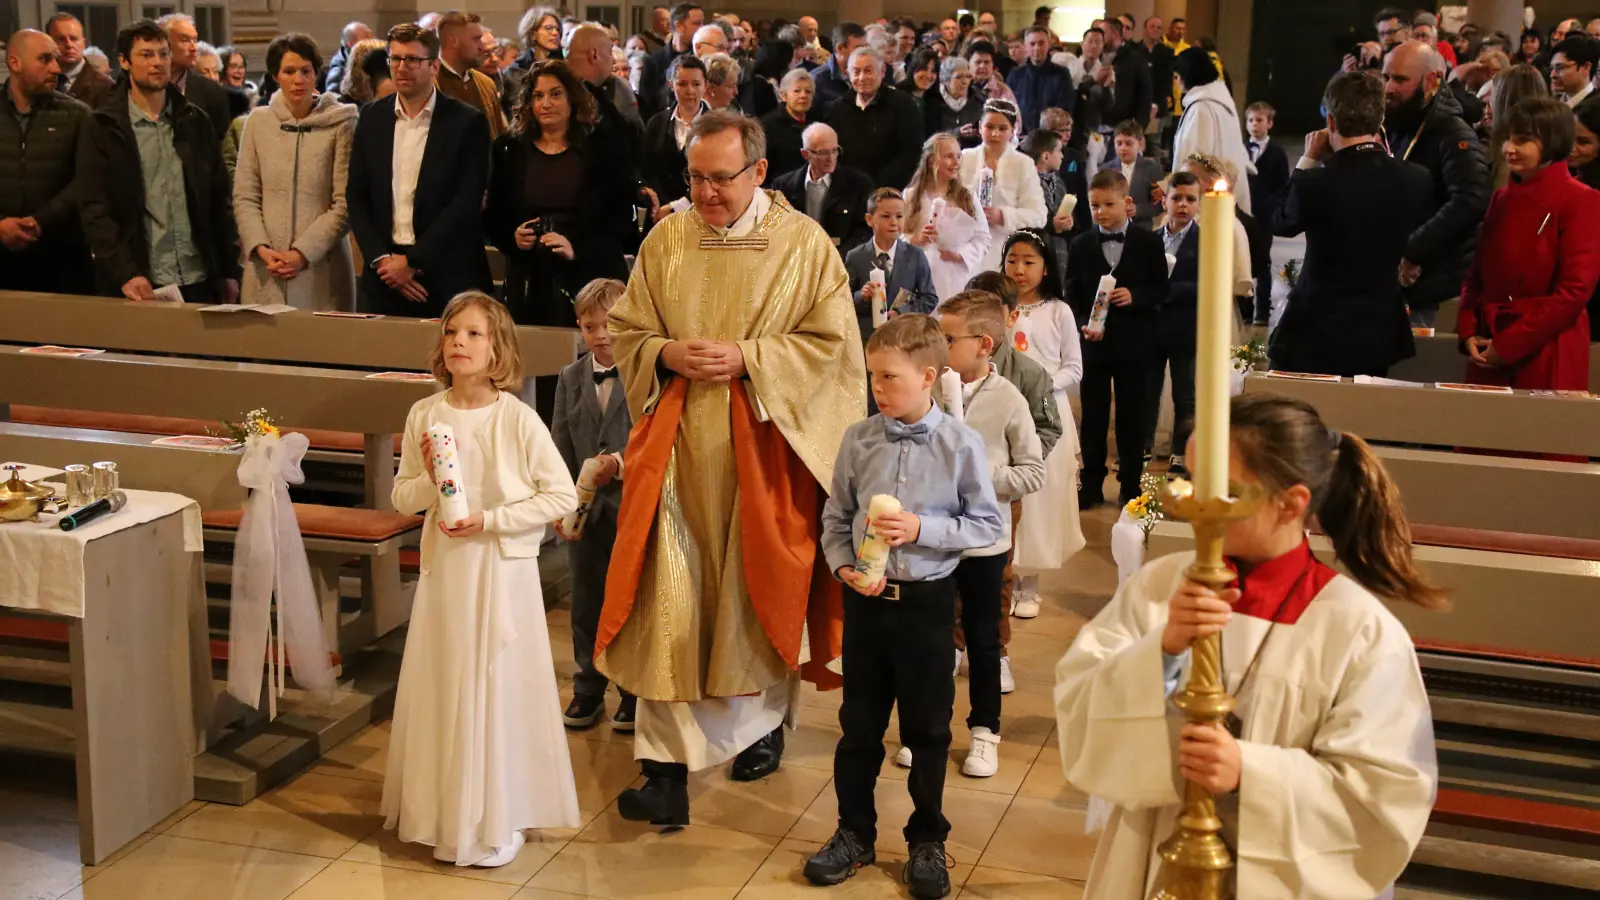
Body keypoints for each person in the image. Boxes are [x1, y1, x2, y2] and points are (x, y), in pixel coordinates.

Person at [1055, 393, 1443, 899]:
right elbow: (1080, 705)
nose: (1194, 505)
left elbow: (1384, 796)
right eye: (1188, 481)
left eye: (1224, 491)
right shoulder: (1160, 586)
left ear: (1292, 503)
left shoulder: (1358, 630)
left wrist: (1250, 772)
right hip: (1155, 854)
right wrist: (1164, 651)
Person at [599, 111, 863, 828]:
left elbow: (836, 348)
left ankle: (762, 726)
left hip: (763, 451)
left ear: (757, 171)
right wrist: (662, 353)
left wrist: (752, 358)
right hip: (678, 455)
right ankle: (663, 772)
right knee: (668, 601)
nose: (707, 193)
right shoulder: (668, 238)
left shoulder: (804, 246)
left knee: (751, 596)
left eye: (721, 178)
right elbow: (628, 328)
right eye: (696, 178)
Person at [807, 313, 1003, 900]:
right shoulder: (858, 439)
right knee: (858, 728)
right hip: (866, 603)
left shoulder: (960, 443)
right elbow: (836, 517)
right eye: (872, 376)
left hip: (926, 603)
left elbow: (987, 523)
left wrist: (922, 527)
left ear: (928, 376)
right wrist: (842, 564)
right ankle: (853, 833)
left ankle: (926, 840)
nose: (877, 388)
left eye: (889, 377)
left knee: (928, 728)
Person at [385, 291, 581, 869]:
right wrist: (429, 478)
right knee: (449, 683)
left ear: (497, 349)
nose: (460, 344)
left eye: (474, 334)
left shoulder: (515, 418)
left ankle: (496, 815)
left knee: (494, 685)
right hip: (447, 571)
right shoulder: (426, 413)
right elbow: (404, 494)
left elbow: (561, 494)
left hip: (499, 571)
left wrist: (491, 520)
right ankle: (447, 814)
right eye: (452, 333)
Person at [930, 292, 1045, 778]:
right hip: (932, 538)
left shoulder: (1010, 399)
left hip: (984, 544)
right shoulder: (930, 388)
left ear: (983, 344)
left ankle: (984, 732)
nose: (938, 346)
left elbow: (1032, 472)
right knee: (933, 641)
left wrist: (983, 475)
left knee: (980, 641)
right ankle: (928, 730)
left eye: (947, 339)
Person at [1271, 71, 1432, 377]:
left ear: (1330, 122)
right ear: (1379, 119)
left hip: (1316, 329)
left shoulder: (1316, 182)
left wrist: (1307, 161)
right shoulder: (1416, 178)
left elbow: (1282, 222)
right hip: (1378, 330)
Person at [80, 19, 240, 303]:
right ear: (124, 62)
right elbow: (95, 208)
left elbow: (219, 200)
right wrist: (125, 272)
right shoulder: (104, 125)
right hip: (140, 279)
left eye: (163, 54)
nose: (158, 62)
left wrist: (229, 269)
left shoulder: (195, 121)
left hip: (199, 275)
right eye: (146, 54)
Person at [347, 23, 490, 317]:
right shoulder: (372, 117)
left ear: (434, 65)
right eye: (395, 59)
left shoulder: (466, 122)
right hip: (384, 278)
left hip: (445, 275)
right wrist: (382, 261)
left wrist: (412, 262)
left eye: (412, 59)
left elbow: (466, 202)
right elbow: (357, 196)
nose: (402, 67)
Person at [1459, 97, 1600, 392]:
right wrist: (1469, 330)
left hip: (1546, 347)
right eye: (1508, 138)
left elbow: (1573, 292)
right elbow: (1476, 275)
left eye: (1523, 140)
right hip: (1489, 342)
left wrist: (1510, 344)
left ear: (1552, 142)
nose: (1509, 147)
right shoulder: (1502, 198)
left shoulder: (1581, 199)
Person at [485, 60, 632, 330]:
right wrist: (513, 237)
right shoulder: (508, 149)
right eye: (538, 96)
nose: (546, 104)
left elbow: (620, 217)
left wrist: (576, 248)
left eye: (555, 94)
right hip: (530, 279)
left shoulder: (605, 147)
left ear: (572, 99)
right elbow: (494, 215)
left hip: (591, 274)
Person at [551, 279, 636, 732]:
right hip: (584, 511)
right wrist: (561, 503)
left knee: (629, 600)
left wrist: (618, 465)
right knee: (585, 602)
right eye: (590, 326)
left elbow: (655, 442)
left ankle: (632, 691)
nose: (600, 335)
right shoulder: (570, 378)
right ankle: (587, 686)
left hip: (632, 507)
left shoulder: (645, 373)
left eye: (609, 325)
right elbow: (560, 444)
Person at [1065, 170, 1168, 507]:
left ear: (1127, 203)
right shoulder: (1080, 244)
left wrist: (1135, 295)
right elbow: (1074, 296)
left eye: (1108, 204)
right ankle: (1090, 482)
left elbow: (1161, 289)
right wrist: (1083, 324)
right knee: (1093, 415)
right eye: (1094, 205)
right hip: (1094, 344)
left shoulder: (1149, 242)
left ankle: (1131, 483)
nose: (1100, 211)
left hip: (1135, 344)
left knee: (1132, 415)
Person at [233, 33, 357, 312]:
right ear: (276, 76)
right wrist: (262, 249)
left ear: (317, 74)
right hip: (267, 267)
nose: (298, 80)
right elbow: (245, 195)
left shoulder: (342, 122)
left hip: (322, 267)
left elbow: (345, 203)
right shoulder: (258, 122)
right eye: (289, 71)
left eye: (305, 71)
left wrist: (302, 254)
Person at [1002, 229, 1086, 604]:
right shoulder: (997, 307)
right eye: (1012, 261)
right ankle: (1006, 572)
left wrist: (1041, 383)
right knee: (1010, 489)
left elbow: (1074, 368)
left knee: (1040, 495)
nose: (1019, 269)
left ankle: (1030, 582)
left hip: (1046, 409)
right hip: (1005, 407)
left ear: (1046, 268)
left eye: (1028, 262)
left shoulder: (1058, 311)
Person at [1382, 41, 1490, 328]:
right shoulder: (1401, 122)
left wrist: (1413, 249)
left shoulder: (1452, 132)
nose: (1388, 88)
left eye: (1400, 80)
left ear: (1432, 81)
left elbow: (1471, 199)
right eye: (1386, 77)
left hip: (1432, 282)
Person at [1, 28, 95, 294]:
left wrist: (41, 220)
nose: (56, 68)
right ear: (15, 63)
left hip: (63, 258)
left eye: (55, 59)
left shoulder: (77, 115)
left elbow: (88, 180)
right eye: (45, 59)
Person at [1145, 171, 1202, 476]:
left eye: (1190, 199)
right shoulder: (1151, 239)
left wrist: (1166, 289)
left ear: (1199, 204)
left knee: (1185, 394)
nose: (1182, 205)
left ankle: (1181, 452)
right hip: (1152, 327)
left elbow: (1207, 283)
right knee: (1147, 390)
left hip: (1184, 327)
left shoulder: (1205, 240)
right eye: (1176, 197)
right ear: (1164, 200)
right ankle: (1142, 447)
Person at [844, 186, 937, 347]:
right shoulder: (855, 257)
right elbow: (842, 300)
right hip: (865, 340)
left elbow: (929, 298)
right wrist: (861, 296)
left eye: (899, 216)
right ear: (869, 219)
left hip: (904, 339)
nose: (894, 222)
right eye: (886, 216)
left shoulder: (915, 255)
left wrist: (902, 313)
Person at [904, 132, 991, 301]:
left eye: (958, 156)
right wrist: (916, 239)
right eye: (949, 156)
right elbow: (897, 236)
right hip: (922, 276)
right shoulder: (911, 196)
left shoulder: (966, 197)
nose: (956, 162)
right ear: (931, 161)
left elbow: (983, 237)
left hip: (956, 277)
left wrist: (960, 255)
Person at [824, 46, 924, 190]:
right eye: (856, 72)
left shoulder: (903, 104)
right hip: (848, 190)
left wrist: (880, 186)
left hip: (890, 191)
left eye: (868, 71)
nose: (862, 77)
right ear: (847, 74)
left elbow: (911, 153)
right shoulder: (837, 109)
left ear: (882, 71)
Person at [963, 98, 1046, 269]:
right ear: (980, 127)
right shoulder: (964, 158)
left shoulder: (1023, 163)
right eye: (990, 127)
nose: (995, 134)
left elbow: (1038, 215)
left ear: (1013, 130)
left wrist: (1002, 216)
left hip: (1005, 249)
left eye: (1002, 129)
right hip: (965, 246)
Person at [1172, 45, 1253, 214]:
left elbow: (1194, 158)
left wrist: (1174, 188)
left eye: (1177, 76)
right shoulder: (1220, 99)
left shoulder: (1201, 108)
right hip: (1227, 187)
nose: (1177, 81)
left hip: (1210, 195)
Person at [771, 122, 873, 253]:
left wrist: (838, 258)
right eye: (823, 152)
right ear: (805, 154)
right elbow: (776, 228)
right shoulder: (783, 186)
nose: (831, 158)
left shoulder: (858, 184)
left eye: (835, 150)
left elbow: (865, 229)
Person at [641, 54, 707, 215]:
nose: (690, 91)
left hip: (701, 209)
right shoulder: (656, 123)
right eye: (682, 84)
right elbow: (647, 168)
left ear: (705, 86)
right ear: (671, 85)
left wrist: (677, 206)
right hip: (659, 211)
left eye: (696, 84)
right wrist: (657, 203)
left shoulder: (716, 126)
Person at [1243, 101, 1288, 325]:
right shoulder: (1240, 148)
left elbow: (1282, 186)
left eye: (1259, 120)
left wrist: (1270, 207)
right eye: (1250, 120)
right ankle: (1244, 309)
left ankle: (1262, 312)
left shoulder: (1277, 153)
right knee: (1242, 260)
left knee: (1262, 262)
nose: (1254, 125)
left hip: (1263, 218)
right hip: (1243, 214)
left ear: (1269, 123)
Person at [157, 13, 232, 144]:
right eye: (185, 40)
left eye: (195, 40)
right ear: (163, 44)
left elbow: (221, 148)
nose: (194, 48)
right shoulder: (140, 87)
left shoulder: (212, 91)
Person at [434, 11, 507, 141]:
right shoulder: (428, 83)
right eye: (476, 39)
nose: (482, 47)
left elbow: (499, 135)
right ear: (453, 41)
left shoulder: (486, 84)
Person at [637, 2, 702, 120]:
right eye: (696, 24)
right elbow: (646, 108)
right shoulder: (653, 63)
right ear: (678, 26)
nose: (701, 28)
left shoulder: (701, 60)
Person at [1007, 26, 1075, 133]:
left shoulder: (1061, 74)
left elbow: (1064, 108)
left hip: (1051, 136)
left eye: (1041, 43)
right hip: (1021, 136)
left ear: (1048, 45)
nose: (1037, 48)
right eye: (1032, 44)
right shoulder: (1016, 75)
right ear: (1025, 46)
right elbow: (1008, 106)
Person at [45, 13, 114, 109]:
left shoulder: (106, 87)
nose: (69, 45)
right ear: (47, 43)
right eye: (61, 39)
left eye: (74, 39)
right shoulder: (38, 82)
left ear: (84, 43)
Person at [1108, 120, 1162, 229]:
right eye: (1119, 143)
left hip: (1141, 229)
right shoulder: (1106, 169)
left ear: (1140, 144)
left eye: (1129, 143)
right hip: (1112, 228)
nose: (1123, 148)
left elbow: (1159, 205)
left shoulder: (1152, 169)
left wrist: (1137, 210)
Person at [760, 67, 813, 177]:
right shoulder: (767, 126)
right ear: (783, 96)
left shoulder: (818, 123)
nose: (803, 95)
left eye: (808, 91)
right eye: (797, 91)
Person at [925, 54, 984, 147]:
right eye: (959, 77)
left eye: (968, 77)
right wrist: (957, 133)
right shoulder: (932, 100)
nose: (965, 82)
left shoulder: (978, 99)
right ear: (946, 80)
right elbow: (929, 136)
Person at [813, 22, 866, 108]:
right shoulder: (817, 80)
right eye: (858, 48)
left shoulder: (868, 75)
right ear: (840, 48)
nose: (863, 53)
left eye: (865, 47)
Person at [322, 21, 374, 93]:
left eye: (372, 36)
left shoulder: (373, 60)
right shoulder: (338, 71)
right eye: (367, 38)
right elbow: (333, 98)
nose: (374, 41)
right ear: (351, 44)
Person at [1550, 35, 1600, 107]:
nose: (1552, 75)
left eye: (1560, 67)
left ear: (1586, 67)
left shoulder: (1596, 109)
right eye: (1551, 68)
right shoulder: (1553, 105)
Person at [965, 39, 1016, 105]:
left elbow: (1013, 114)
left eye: (987, 62)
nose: (982, 66)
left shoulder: (1003, 91)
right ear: (968, 64)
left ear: (993, 65)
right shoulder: (960, 87)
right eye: (978, 62)